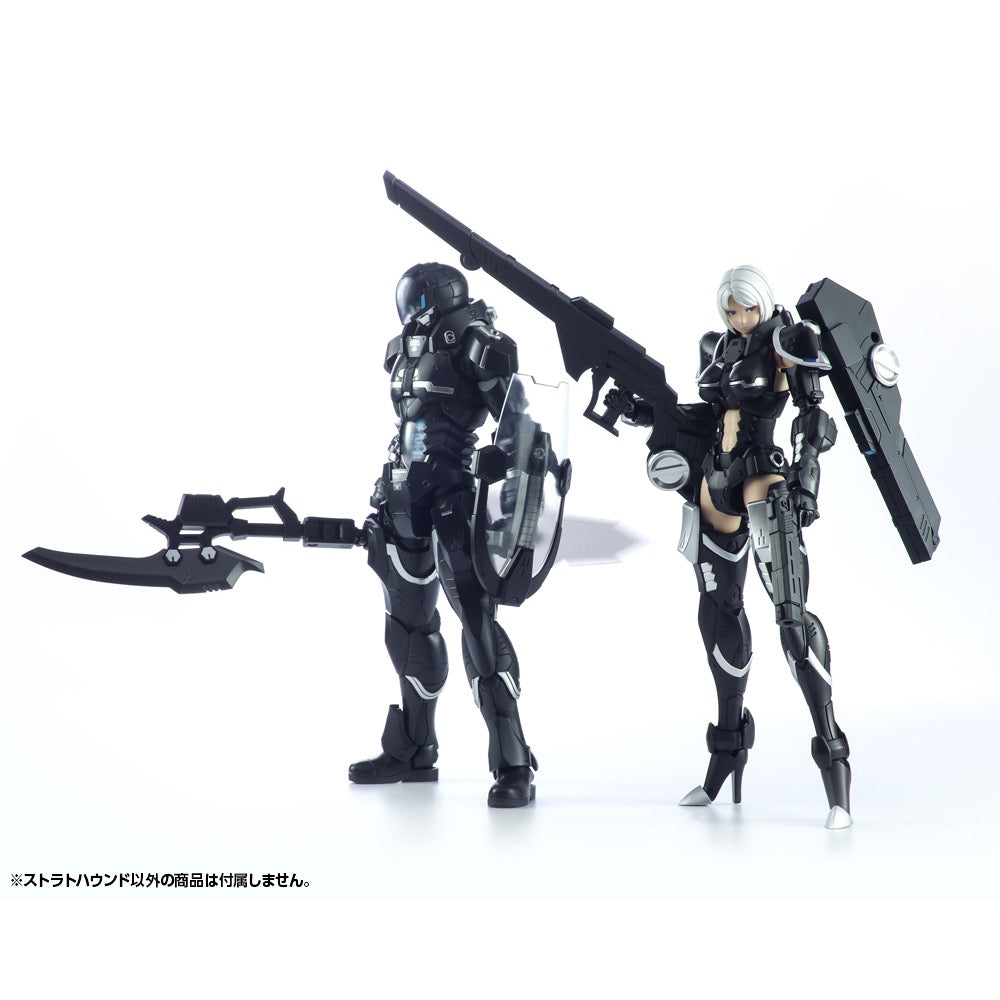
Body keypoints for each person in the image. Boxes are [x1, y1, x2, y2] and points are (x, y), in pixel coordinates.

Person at [611, 265, 851, 829]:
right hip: (714, 482)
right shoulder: (717, 346)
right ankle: (726, 753)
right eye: (731, 309)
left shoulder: (789, 341)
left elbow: (814, 417)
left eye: (746, 308)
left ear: (762, 302)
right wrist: (646, 413)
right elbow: (710, 415)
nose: (739, 317)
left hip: (762, 478)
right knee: (719, 614)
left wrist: (807, 479)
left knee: (791, 620)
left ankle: (835, 765)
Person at [347, 262, 540, 807]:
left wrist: (506, 472)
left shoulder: (480, 344)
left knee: (478, 630)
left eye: (419, 300)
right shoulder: (400, 350)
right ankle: (414, 748)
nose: (411, 311)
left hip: (455, 499)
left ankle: (513, 761)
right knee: (407, 627)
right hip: (401, 498)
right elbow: (407, 426)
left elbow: (520, 425)